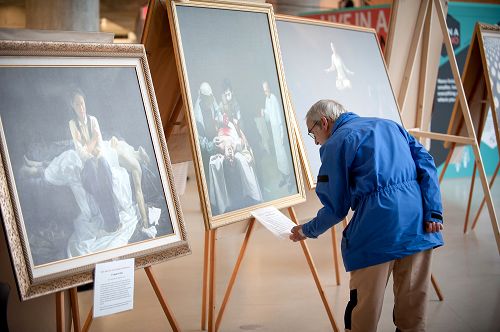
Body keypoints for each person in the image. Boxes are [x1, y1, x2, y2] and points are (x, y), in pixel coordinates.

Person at [289, 100, 444, 331]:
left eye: (313, 134)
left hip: (377, 231)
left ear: (324, 122)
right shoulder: (391, 126)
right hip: (419, 224)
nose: (316, 141)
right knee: (413, 311)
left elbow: (336, 208)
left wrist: (305, 230)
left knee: (364, 310)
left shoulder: (337, 143)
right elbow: (427, 163)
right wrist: (434, 211)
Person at [261, 81, 292, 190]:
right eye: (264, 91)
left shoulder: (273, 98)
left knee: (282, 155)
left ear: (270, 88)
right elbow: (268, 117)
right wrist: (264, 112)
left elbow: (278, 117)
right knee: (278, 155)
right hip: (274, 130)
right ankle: (283, 177)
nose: (266, 92)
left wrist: (282, 133)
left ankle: (289, 181)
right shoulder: (267, 100)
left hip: (278, 130)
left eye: (267, 90)